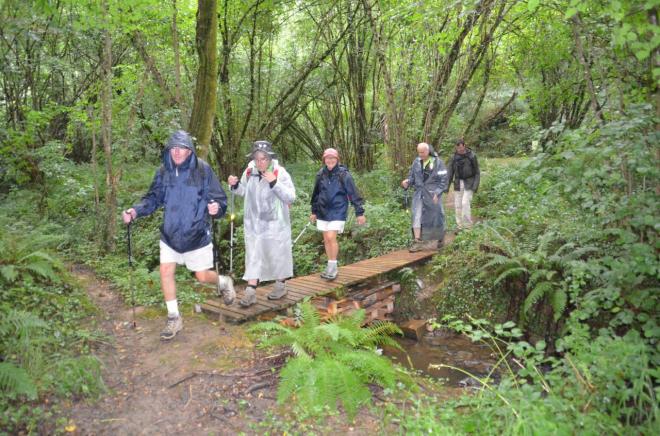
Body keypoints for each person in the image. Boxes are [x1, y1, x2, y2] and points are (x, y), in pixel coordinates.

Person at [122, 130, 233, 341]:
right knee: (165, 270)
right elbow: (153, 198)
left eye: (182, 148)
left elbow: (220, 199)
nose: (177, 153)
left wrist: (216, 208)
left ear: (189, 150)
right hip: (170, 235)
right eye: (173, 148)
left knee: (202, 276)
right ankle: (174, 317)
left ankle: (223, 282)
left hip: (197, 234)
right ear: (168, 150)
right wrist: (135, 211)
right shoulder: (163, 172)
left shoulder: (202, 171)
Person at [227, 140, 296, 307]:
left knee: (277, 256)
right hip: (254, 225)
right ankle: (250, 291)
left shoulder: (280, 172)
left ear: (270, 158)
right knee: (254, 255)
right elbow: (243, 191)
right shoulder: (250, 171)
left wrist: (274, 182)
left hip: (276, 226)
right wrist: (235, 185)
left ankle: (280, 286)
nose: (260, 162)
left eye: (263, 158)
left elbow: (290, 197)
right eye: (257, 158)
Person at [310, 148, 366, 280]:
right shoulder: (320, 174)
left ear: (337, 160)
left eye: (332, 158)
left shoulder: (344, 174)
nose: (330, 160)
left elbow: (353, 194)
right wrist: (314, 211)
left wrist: (359, 212)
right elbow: (316, 194)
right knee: (326, 239)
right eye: (327, 158)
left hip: (338, 210)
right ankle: (329, 266)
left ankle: (334, 267)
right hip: (323, 210)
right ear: (324, 160)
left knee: (331, 237)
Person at [401, 142, 448, 252]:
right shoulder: (416, 162)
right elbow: (412, 177)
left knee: (436, 215)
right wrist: (407, 181)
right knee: (416, 215)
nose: (420, 154)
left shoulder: (438, 162)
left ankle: (440, 237)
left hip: (432, 194)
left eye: (422, 152)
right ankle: (417, 241)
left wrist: (438, 192)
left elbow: (444, 180)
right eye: (419, 152)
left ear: (428, 151)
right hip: (419, 194)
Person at [445, 139, 480, 230]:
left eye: (461, 147)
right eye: (458, 148)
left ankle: (467, 226)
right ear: (456, 147)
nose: (460, 150)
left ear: (464, 146)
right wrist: (446, 187)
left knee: (465, 203)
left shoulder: (472, 156)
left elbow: (477, 172)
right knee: (458, 205)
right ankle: (459, 226)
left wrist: (475, 186)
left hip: (469, 182)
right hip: (458, 182)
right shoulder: (453, 157)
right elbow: (449, 173)